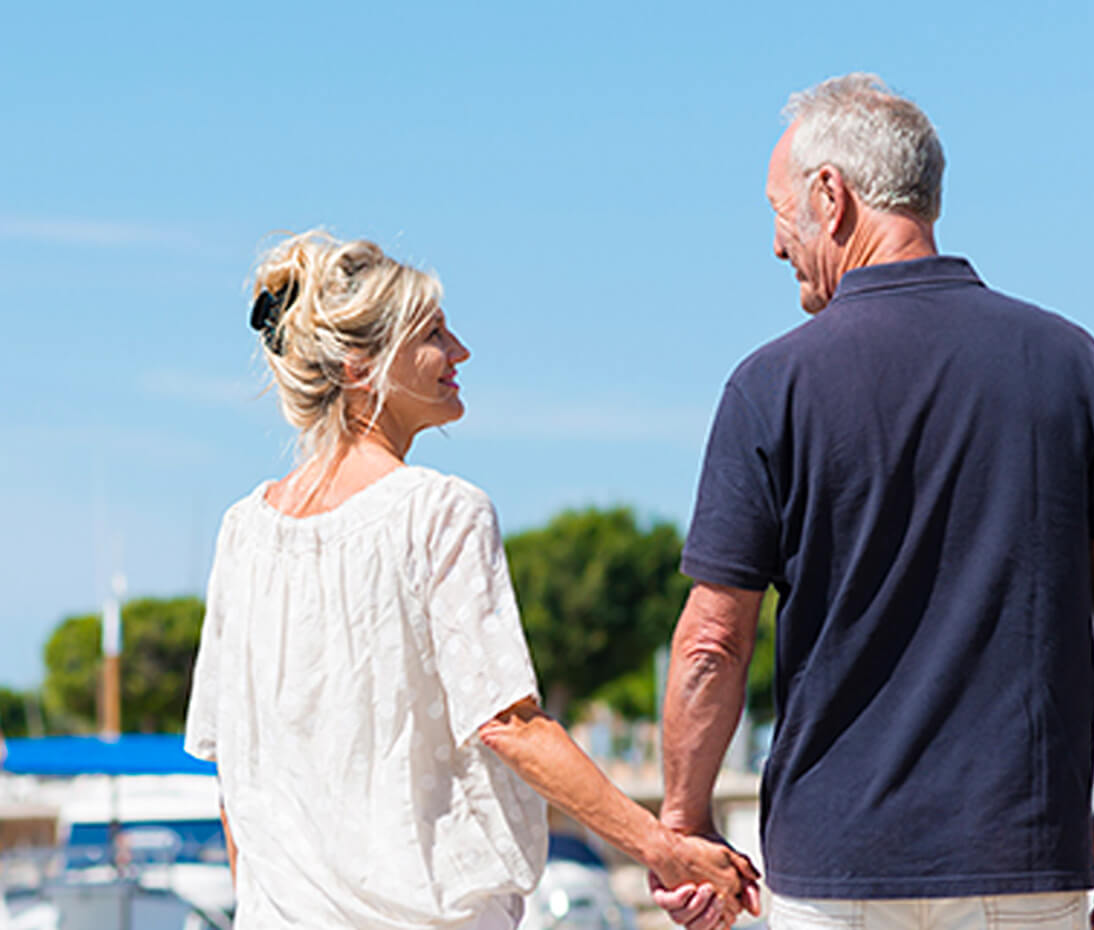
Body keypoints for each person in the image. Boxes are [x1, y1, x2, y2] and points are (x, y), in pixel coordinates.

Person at [651, 74, 1094, 930]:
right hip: (1024, 857)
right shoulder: (1068, 364)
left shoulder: (770, 386)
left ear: (831, 195)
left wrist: (682, 818)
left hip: (834, 869)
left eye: (779, 213)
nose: (778, 246)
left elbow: (712, 638)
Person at [184, 230, 758, 930]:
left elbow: (234, 768)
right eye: (434, 334)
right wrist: (660, 847)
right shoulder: (438, 512)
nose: (459, 353)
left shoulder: (244, 530)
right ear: (362, 366)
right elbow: (508, 724)